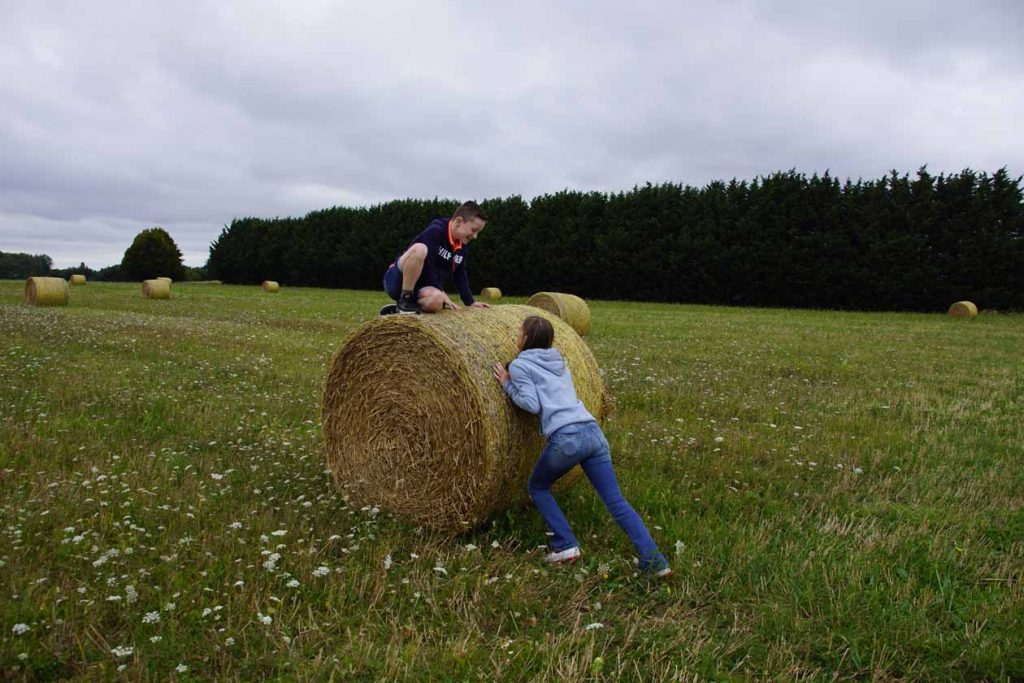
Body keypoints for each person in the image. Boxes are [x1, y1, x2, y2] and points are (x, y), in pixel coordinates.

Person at [493, 316, 672, 576]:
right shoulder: (560, 361)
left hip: (567, 438)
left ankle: (565, 544)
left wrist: (507, 383)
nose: (516, 336)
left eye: (520, 332)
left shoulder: (521, 365)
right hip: (592, 432)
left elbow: (531, 404)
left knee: (538, 486)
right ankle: (656, 562)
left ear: (527, 338)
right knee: (616, 501)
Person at [381, 201, 492, 314]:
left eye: (478, 232)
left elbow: (460, 275)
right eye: (474, 230)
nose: (475, 236)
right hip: (397, 281)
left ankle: (401, 310)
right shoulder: (436, 231)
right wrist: (441, 290)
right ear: (458, 221)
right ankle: (405, 298)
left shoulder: (462, 248)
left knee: (436, 299)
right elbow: (428, 265)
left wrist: (470, 302)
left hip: (422, 289)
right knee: (420, 249)